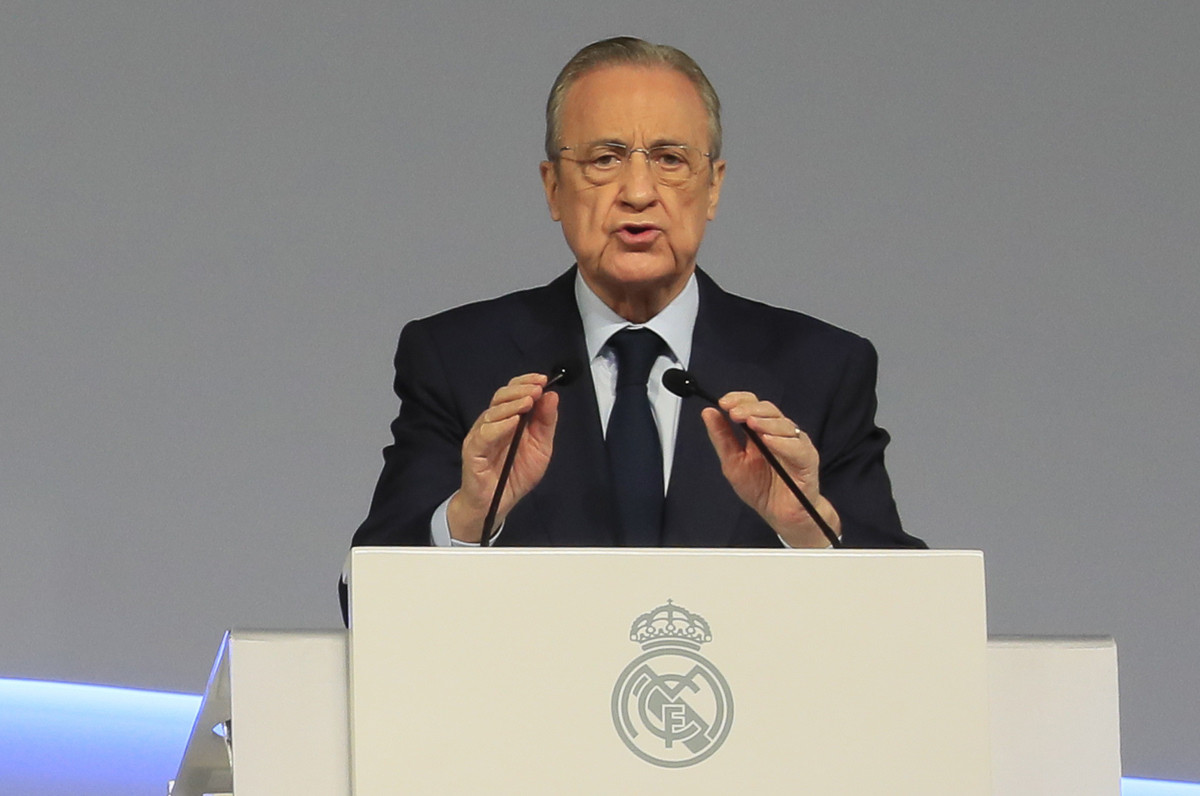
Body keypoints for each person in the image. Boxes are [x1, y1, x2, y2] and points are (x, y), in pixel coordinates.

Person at [342, 37, 924, 617]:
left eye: (671, 159)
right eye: (604, 159)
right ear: (552, 188)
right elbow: (366, 603)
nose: (638, 193)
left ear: (713, 186)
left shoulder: (821, 368)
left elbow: (911, 617)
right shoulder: (456, 359)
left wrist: (808, 533)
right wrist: (468, 520)